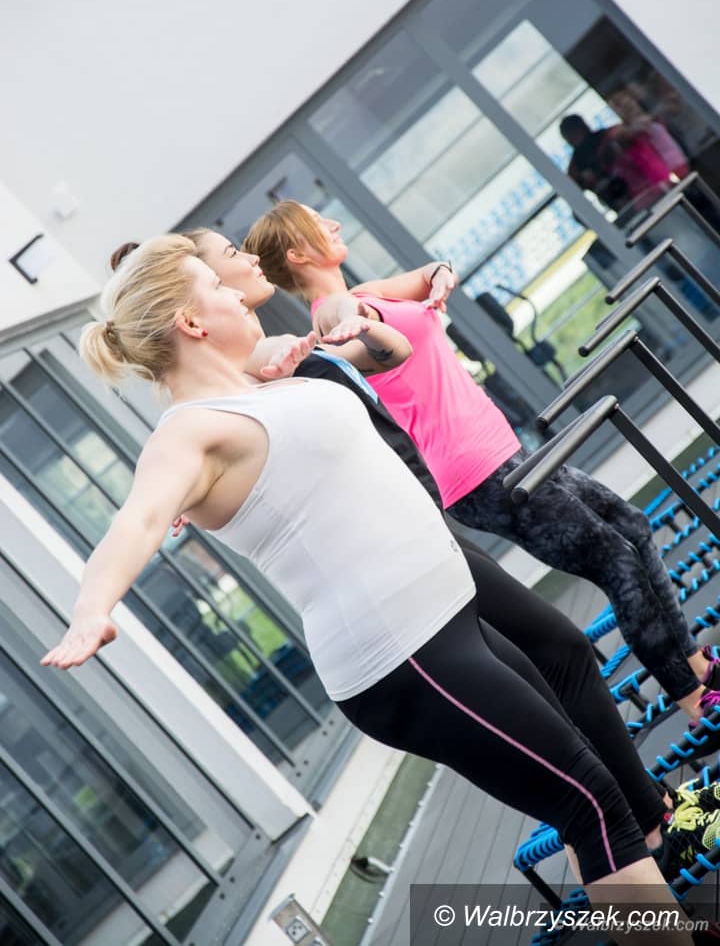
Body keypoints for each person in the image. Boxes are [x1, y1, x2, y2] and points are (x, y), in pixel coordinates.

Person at [39, 234, 708, 939]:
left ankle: (668, 911)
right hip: (405, 655)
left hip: (449, 616)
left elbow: (382, 355)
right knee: (590, 804)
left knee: (587, 787)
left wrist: (341, 330)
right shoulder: (187, 434)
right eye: (219, 286)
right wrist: (92, 608)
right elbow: (139, 518)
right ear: (192, 322)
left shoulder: (258, 381)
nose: (238, 291)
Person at [242, 201, 720, 726]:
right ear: (298, 253)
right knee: (616, 561)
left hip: (503, 450)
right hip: (480, 474)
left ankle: (697, 665)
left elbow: (428, 273)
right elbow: (341, 318)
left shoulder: (368, 292)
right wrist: (353, 321)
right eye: (318, 223)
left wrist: (440, 276)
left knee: (631, 525)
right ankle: (693, 700)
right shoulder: (336, 313)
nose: (333, 223)